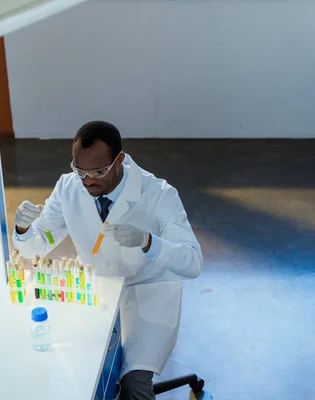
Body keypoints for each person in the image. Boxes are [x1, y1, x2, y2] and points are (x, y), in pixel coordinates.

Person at [13, 121, 203, 400]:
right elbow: (36, 246)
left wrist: (148, 242)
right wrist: (23, 229)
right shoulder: (69, 187)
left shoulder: (159, 194)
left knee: (134, 386)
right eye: (81, 170)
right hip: (98, 290)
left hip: (147, 292)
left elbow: (193, 262)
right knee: (76, 375)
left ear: (120, 160)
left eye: (99, 171)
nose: (88, 179)